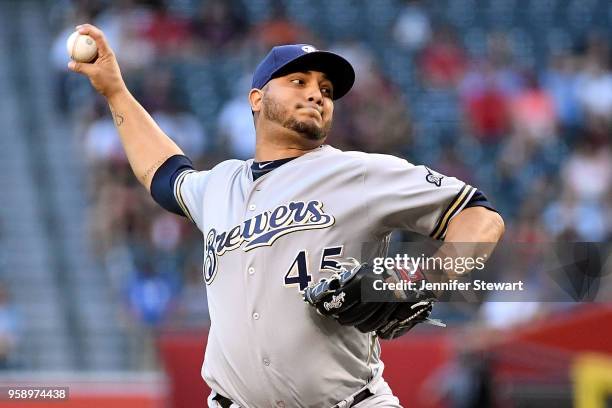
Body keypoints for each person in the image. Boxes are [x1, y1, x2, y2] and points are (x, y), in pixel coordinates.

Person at [69, 24, 504, 408]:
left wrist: (423, 275)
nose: (317, 93)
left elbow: (480, 218)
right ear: (257, 99)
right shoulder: (219, 185)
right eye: (298, 81)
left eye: (326, 90)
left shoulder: (360, 172)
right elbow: (163, 173)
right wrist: (115, 91)